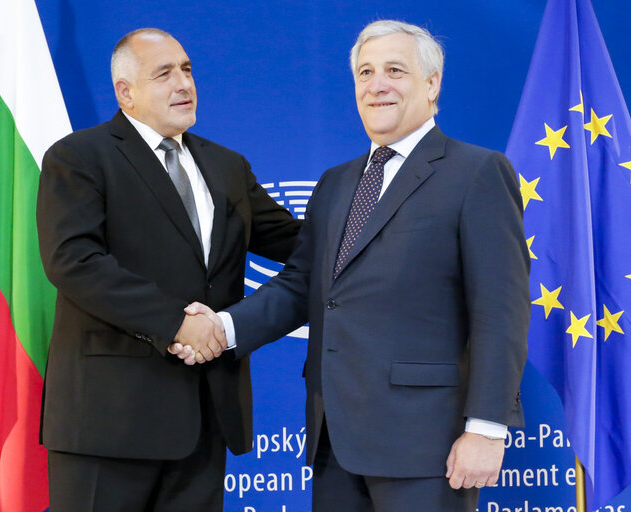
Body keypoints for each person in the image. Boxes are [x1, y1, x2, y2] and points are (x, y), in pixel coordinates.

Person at [172, 20, 530, 511]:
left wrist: (488, 429)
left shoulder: (477, 173)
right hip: (334, 440)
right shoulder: (336, 183)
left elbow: (501, 311)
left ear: (432, 84)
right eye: (365, 72)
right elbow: (302, 287)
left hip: (426, 445)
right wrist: (222, 328)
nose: (376, 84)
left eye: (395, 70)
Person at [36, 28, 301, 511]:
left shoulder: (226, 165)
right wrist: (176, 323)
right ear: (126, 93)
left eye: (187, 70)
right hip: (108, 422)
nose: (184, 84)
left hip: (204, 417)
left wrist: (377, 222)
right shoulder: (79, 157)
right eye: (164, 74)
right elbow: (74, 261)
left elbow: (295, 242)